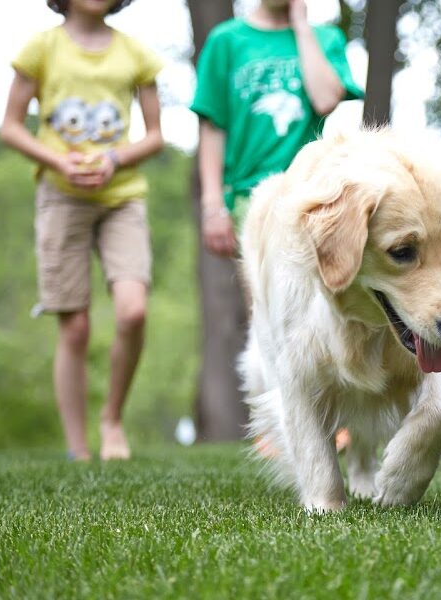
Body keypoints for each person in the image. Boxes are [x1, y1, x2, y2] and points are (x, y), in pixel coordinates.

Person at [190, 0, 362, 451]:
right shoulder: (227, 42)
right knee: (267, 312)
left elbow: (327, 99)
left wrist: (302, 26)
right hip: (254, 198)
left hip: (317, 196)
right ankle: (282, 419)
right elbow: (213, 128)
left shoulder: (325, 38)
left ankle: (335, 414)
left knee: (331, 302)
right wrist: (213, 204)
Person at [0, 0, 164, 461]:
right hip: (60, 197)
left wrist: (114, 159)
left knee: (133, 311)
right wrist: (58, 161)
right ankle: (78, 449)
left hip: (122, 197)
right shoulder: (41, 48)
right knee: (75, 328)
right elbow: (10, 127)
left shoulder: (136, 53)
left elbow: (155, 135)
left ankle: (111, 419)